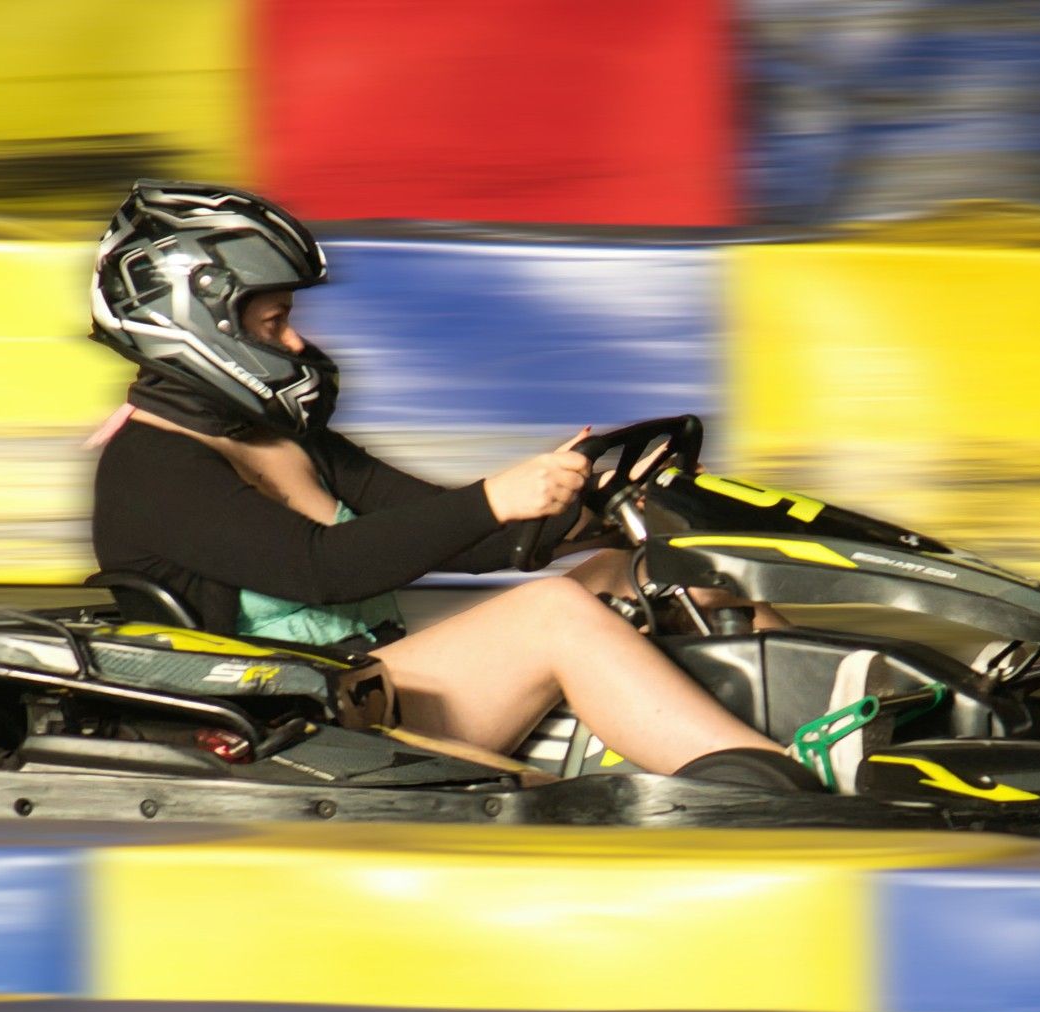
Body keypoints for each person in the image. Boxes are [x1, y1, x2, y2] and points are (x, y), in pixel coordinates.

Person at [87, 180, 819, 789]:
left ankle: (857, 729)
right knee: (553, 614)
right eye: (276, 324)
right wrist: (495, 497)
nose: (297, 344)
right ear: (195, 324)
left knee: (647, 574)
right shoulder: (148, 471)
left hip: (376, 695)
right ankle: (771, 787)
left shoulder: (284, 438)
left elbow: (447, 529)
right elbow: (323, 568)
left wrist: (589, 511)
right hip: (297, 727)